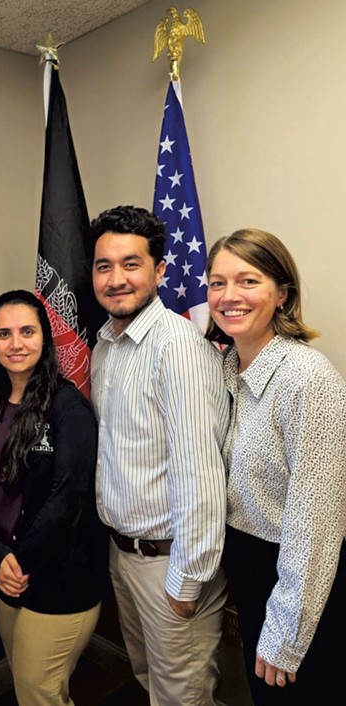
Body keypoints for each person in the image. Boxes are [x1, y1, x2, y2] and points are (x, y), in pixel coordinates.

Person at [89, 205, 230, 706]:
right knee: (151, 682)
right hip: (123, 555)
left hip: (170, 561)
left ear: (159, 271)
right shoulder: (105, 346)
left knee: (182, 697)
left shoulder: (178, 347)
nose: (116, 278)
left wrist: (187, 581)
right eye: (104, 265)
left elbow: (201, 473)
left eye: (131, 263)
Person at [205, 228, 346, 705]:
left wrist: (287, 630)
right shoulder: (226, 367)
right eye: (217, 282)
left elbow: (317, 521)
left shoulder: (308, 378)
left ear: (282, 294)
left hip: (302, 579)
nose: (229, 296)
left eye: (248, 281)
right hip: (250, 566)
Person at [0, 289, 108, 706]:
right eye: (4, 333)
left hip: (58, 576)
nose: (16, 344)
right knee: (26, 684)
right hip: (4, 571)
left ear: (45, 339)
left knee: (38, 692)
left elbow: (69, 497)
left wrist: (21, 559)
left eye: (27, 331)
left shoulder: (69, 407)